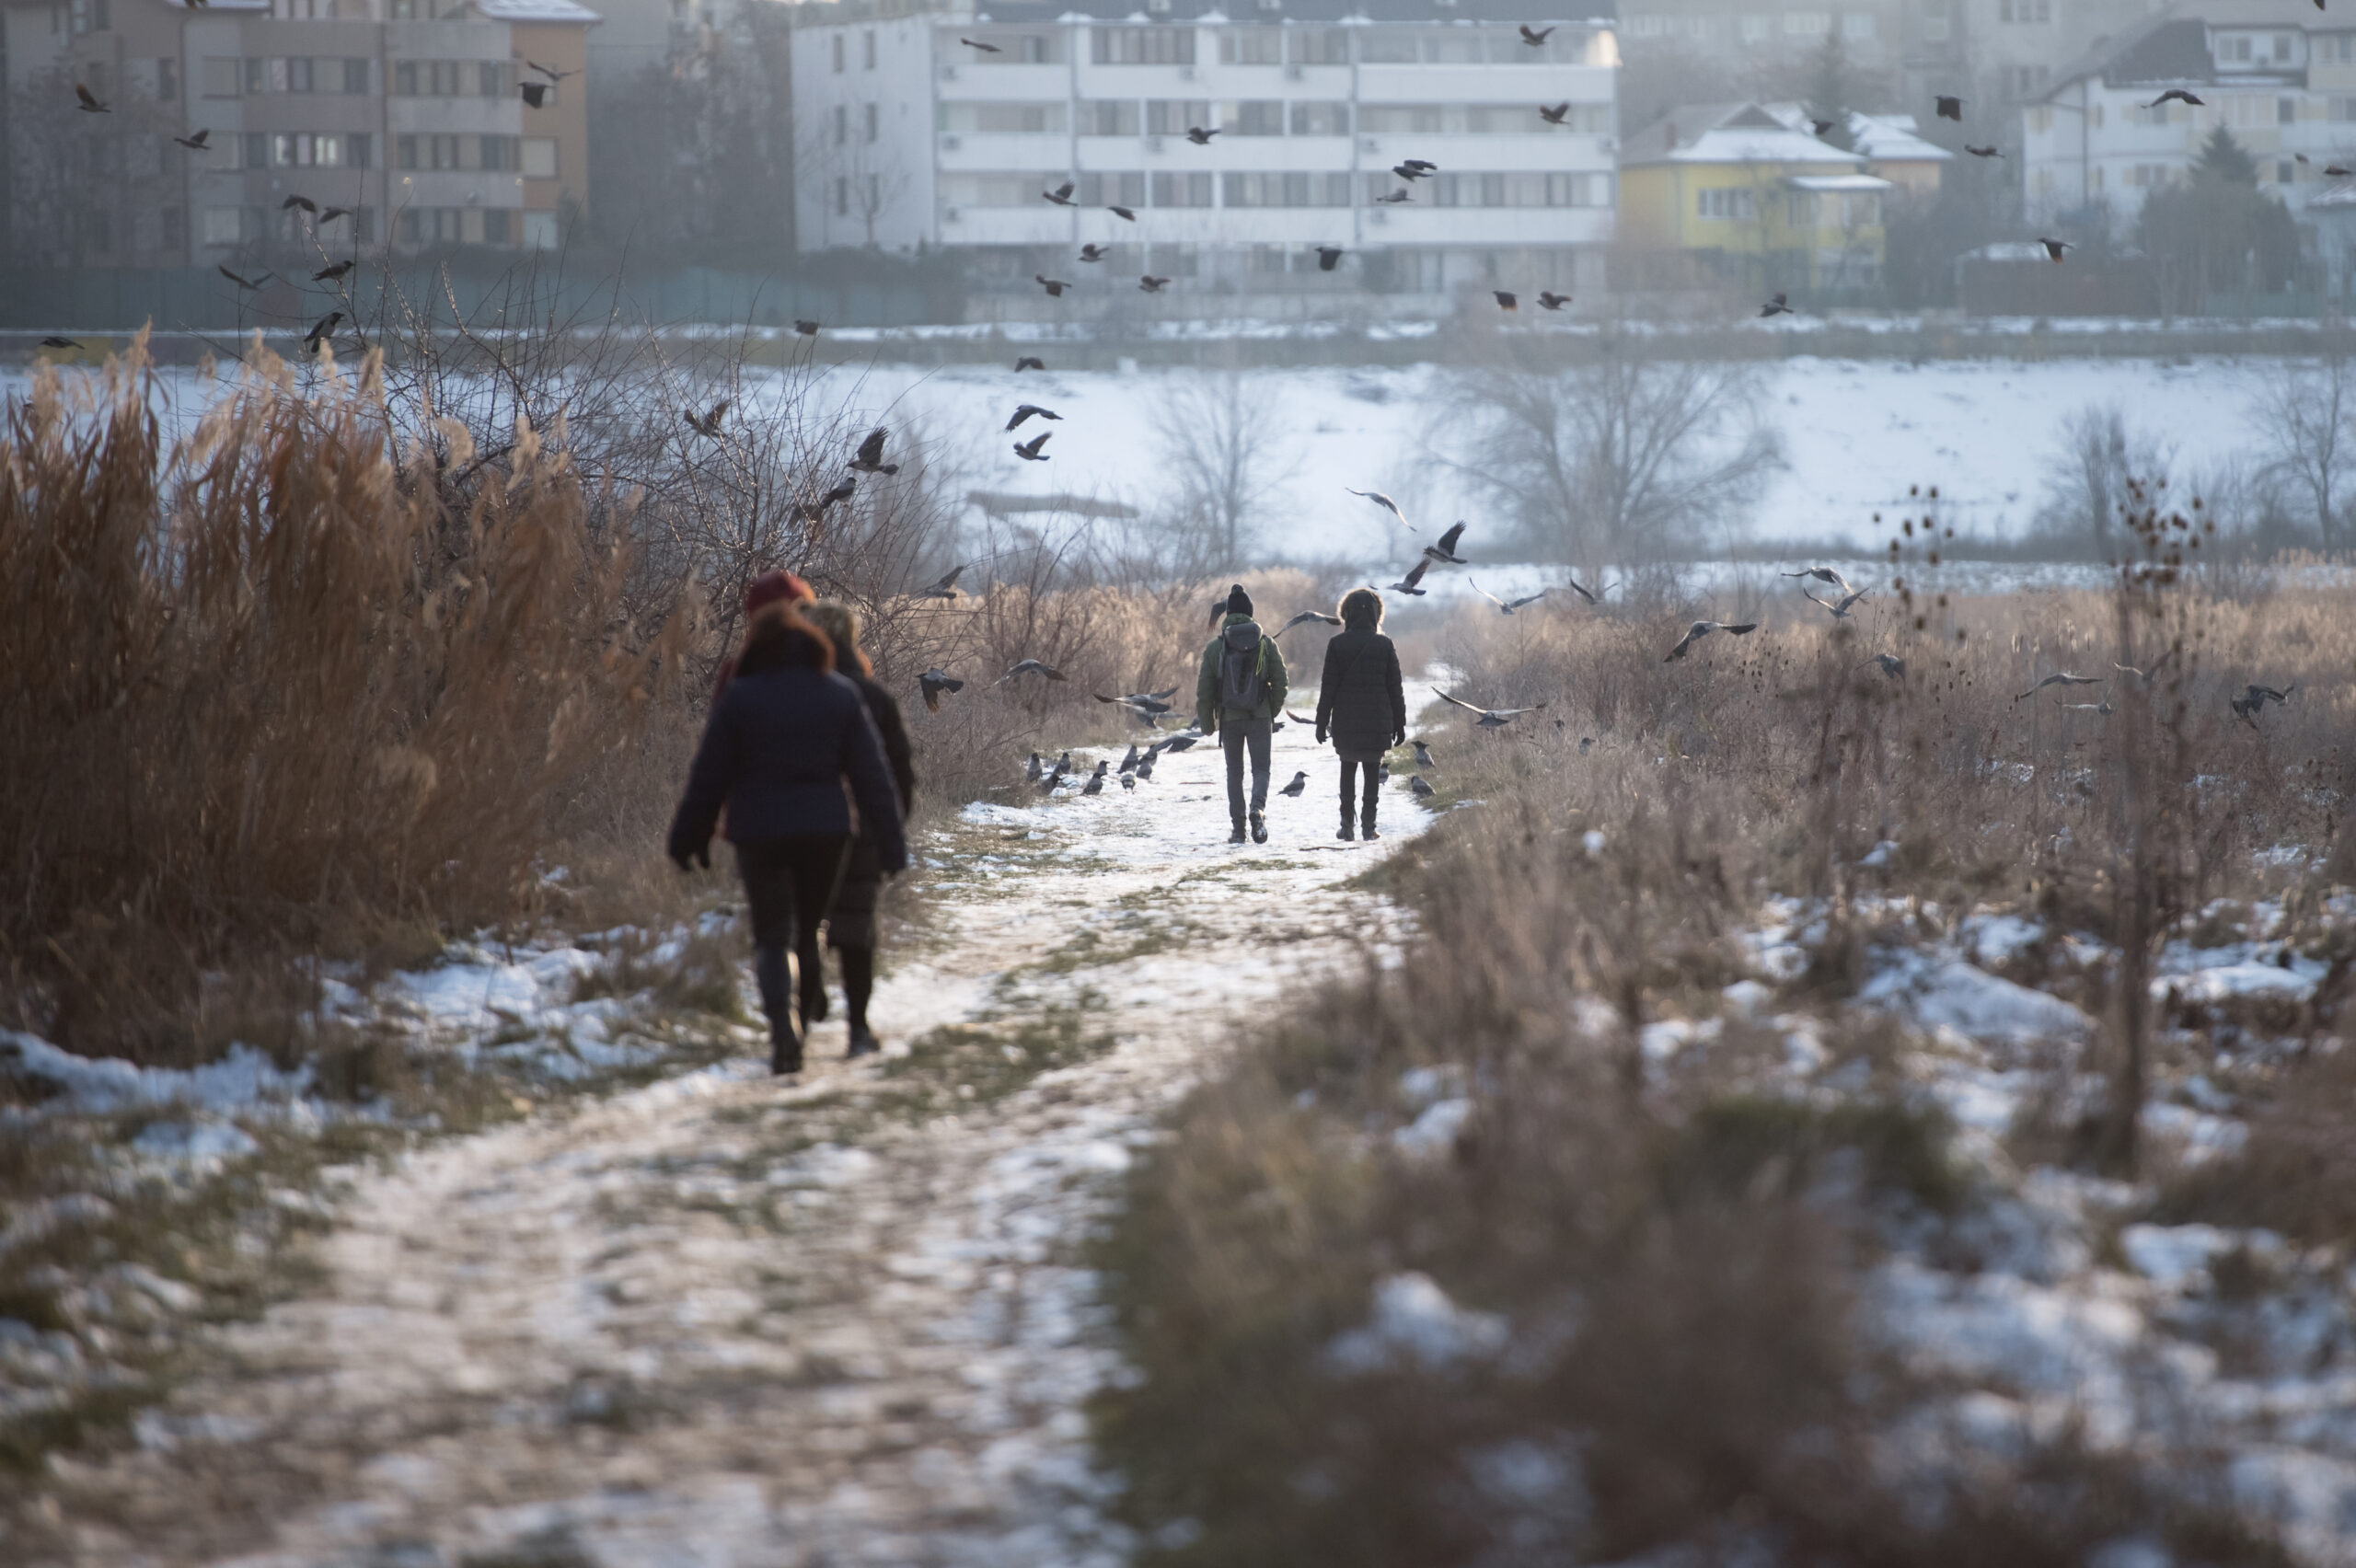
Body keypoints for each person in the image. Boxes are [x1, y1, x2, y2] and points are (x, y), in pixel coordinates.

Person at [668, 600, 907, 1075]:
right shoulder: (839, 694)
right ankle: (802, 1019)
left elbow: (709, 776)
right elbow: (872, 776)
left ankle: (784, 1032)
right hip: (826, 831)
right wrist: (891, 841)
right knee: (808, 927)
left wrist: (689, 835)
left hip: (759, 831)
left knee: (772, 934)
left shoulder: (741, 697)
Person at [798, 600, 915, 1057]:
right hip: (863, 830)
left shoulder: (793, 692)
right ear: (851, 637)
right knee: (856, 929)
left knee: (804, 923)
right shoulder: (875, 697)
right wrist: (892, 828)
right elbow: (900, 773)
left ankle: (805, 1009)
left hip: (805, 828)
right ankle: (859, 1029)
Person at [1195, 582, 1288, 845]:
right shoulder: (1266, 644)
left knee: (1234, 773)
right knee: (1261, 770)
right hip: (1260, 717)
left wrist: (1207, 724)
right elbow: (1281, 681)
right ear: (1250, 613)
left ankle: (1238, 830)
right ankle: (1257, 809)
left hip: (1230, 718)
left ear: (1227, 614)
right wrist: (1270, 710)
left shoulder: (1215, 647)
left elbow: (1204, 690)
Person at [1314, 588, 1407, 841]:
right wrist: (1400, 724)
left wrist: (1321, 723)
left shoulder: (1337, 645)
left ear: (1346, 613)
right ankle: (1368, 826)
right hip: (1377, 720)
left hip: (1345, 720)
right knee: (1372, 772)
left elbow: (1328, 688)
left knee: (1347, 769)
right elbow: (1395, 689)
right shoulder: (1385, 644)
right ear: (1376, 614)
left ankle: (1346, 825)